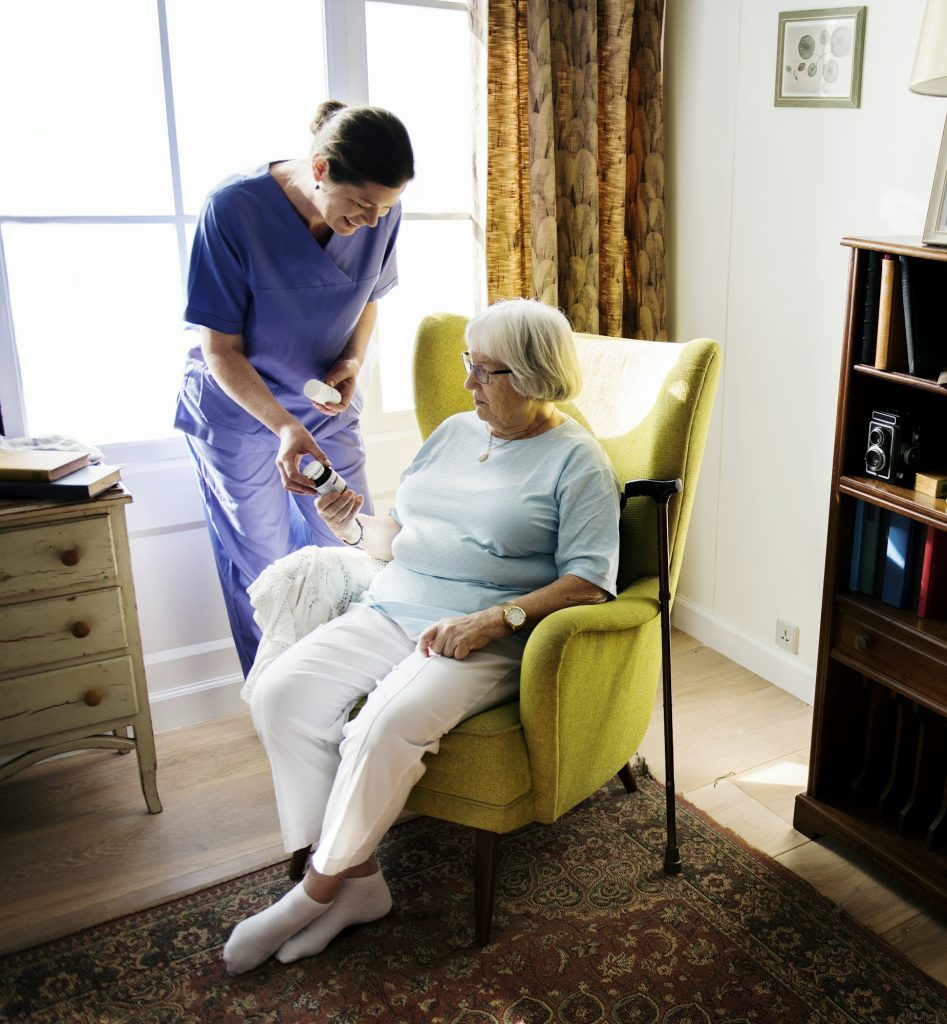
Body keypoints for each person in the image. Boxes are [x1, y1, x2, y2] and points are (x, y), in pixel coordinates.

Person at [222, 298, 622, 974]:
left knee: (383, 726)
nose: (467, 384)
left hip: (481, 633)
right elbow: (404, 538)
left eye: (483, 371)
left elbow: (590, 581)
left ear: (529, 375)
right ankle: (360, 885)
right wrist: (346, 522)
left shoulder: (576, 463)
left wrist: (494, 620)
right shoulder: (453, 435)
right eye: (469, 365)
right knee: (280, 695)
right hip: (393, 603)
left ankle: (311, 894)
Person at [174, 101, 415, 677]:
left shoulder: (379, 214)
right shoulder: (233, 211)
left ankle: (359, 690)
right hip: (241, 412)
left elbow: (369, 301)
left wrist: (354, 359)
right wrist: (284, 426)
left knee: (359, 546)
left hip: (325, 406)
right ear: (320, 168)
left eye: (386, 209)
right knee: (266, 566)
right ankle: (281, 702)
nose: (373, 222)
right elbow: (219, 351)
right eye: (361, 205)